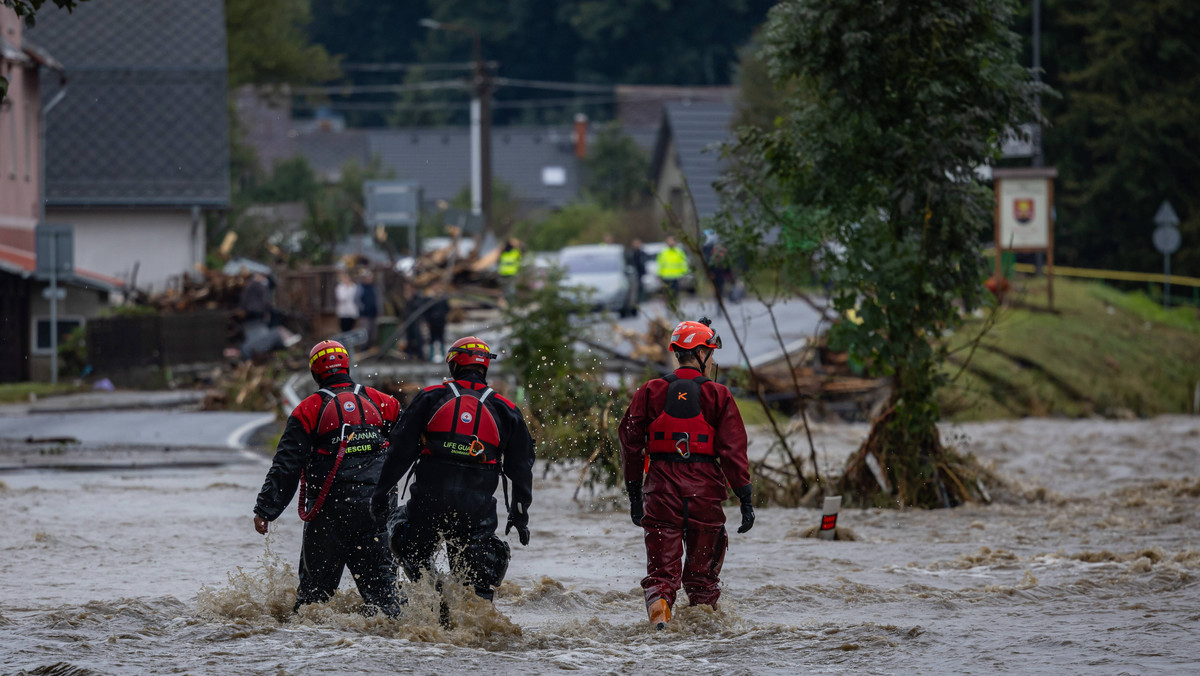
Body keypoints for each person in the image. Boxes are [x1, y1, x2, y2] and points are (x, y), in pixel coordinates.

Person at [371, 336, 535, 603]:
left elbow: (398, 453)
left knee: (403, 533)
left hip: (427, 505)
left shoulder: (430, 397)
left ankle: (434, 594)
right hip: (477, 510)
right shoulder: (507, 410)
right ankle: (475, 618)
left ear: (454, 365)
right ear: (485, 368)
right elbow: (522, 469)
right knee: (481, 574)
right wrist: (520, 514)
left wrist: (379, 495)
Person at [618, 318, 754, 630]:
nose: (712, 359)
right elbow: (734, 451)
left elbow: (630, 443)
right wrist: (745, 498)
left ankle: (660, 629)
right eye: (711, 352)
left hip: (661, 491)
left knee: (661, 578)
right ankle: (703, 640)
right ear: (703, 353)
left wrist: (635, 494)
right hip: (705, 492)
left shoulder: (650, 391)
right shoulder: (719, 395)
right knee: (703, 581)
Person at [252, 340, 403, 616]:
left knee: (312, 605)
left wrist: (266, 509)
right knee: (386, 603)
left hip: (327, 517)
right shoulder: (385, 402)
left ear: (315, 373)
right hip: (376, 514)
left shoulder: (307, 410)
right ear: (347, 366)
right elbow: (407, 450)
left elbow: (286, 465)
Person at [424, 286, 451, 363]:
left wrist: (442, 316)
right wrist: (428, 320)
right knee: (432, 339)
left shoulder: (443, 299)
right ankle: (431, 356)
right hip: (432, 322)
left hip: (441, 322)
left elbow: (447, 309)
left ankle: (443, 356)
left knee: (441, 338)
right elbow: (426, 312)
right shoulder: (429, 299)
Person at [358, 270, 380, 345]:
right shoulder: (361, 287)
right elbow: (356, 299)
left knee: (373, 332)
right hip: (365, 314)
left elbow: (377, 299)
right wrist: (362, 308)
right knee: (365, 332)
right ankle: (364, 348)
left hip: (373, 313)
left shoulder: (373, 287)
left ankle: (370, 347)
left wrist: (378, 310)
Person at [628, 239, 648, 303]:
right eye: (635, 244)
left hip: (642, 273)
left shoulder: (643, 253)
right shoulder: (631, 253)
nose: (637, 245)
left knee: (642, 287)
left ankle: (642, 299)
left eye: (638, 243)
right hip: (634, 273)